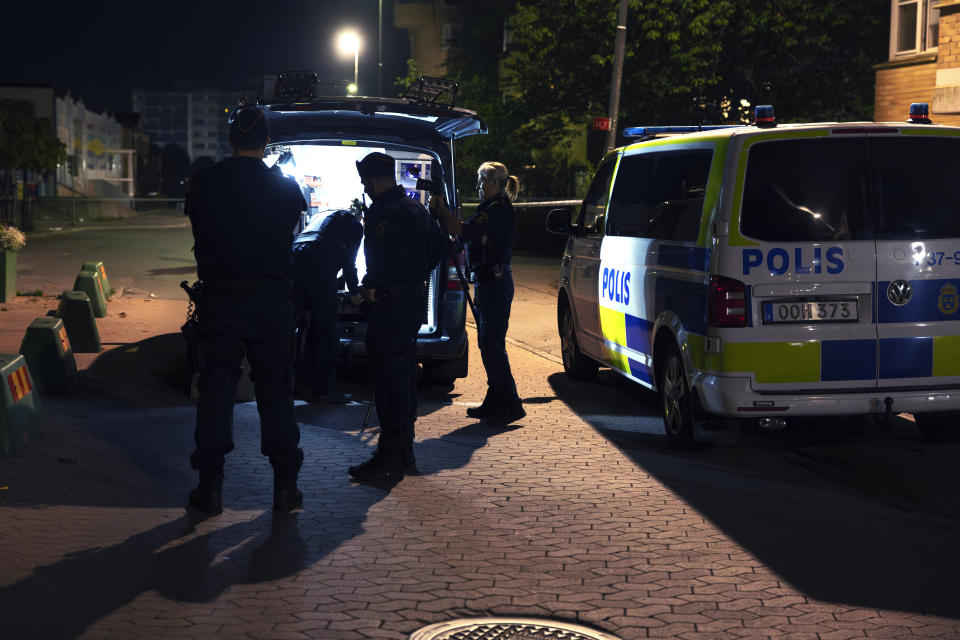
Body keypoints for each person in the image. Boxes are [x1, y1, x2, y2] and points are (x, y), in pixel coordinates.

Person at [185, 106, 307, 514]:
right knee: (276, 388)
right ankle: (286, 489)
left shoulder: (204, 184)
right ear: (267, 142)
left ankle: (210, 488)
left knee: (216, 388)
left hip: (221, 299)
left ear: (230, 139)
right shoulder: (285, 189)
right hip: (273, 300)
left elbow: (201, 234)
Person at [348, 151, 435, 481]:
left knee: (389, 381)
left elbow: (379, 259)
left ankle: (389, 457)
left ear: (373, 182)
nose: (365, 189)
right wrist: (413, 277)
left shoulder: (384, 212)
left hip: (391, 305)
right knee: (403, 377)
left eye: (366, 183)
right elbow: (439, 247)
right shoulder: (416, 207)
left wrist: (376, 288)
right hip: (411, 304)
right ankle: (404, 452)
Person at [432, 161, 526, 427]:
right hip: (488, 283)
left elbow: (464, 230)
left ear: (495, 183)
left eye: (482, 181)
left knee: (493, 346)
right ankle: (494, 400)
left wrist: (441, 211)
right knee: (488, 344)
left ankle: (510, 404)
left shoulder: (497, 210)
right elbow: (462, 237)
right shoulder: (490, 209)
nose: (479, 186)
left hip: (495, 284)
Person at [292, 208, 364, 404]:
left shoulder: (323, 217)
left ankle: (303, 382)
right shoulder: (356, 226)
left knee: (310, 326)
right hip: (318, 261)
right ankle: (324, 390)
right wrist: (356, 292)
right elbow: (349, 263)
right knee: (329, 330)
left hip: (296, 256)